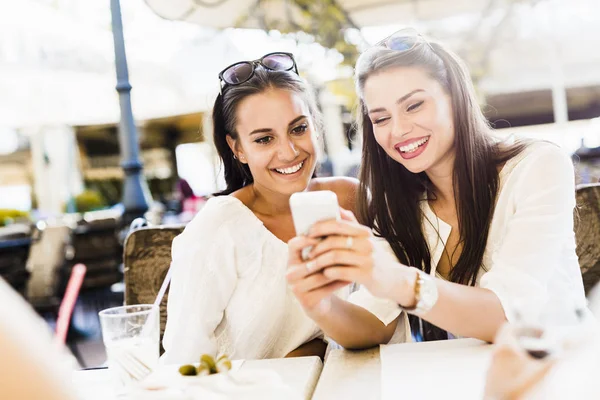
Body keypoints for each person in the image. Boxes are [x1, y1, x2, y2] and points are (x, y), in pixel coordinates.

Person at [287, 29, 586, 344]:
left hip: (564, 372)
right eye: (381, 119)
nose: (399, 130)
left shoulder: (538, 166)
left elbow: (508, 316)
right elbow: (375, 324)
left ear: (455, 97)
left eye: (414, 106)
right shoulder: (398, 205)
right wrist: (321, 305)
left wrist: (397, 281)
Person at [162, 52, 402, 364]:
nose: (288, 152)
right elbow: (185, 359)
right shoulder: (219, 226)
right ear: (238, 149)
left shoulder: (351, 199)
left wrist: (314, 347)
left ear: (314, 126)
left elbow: (381, 322)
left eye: (298, 128)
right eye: (264, 139)